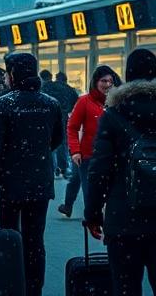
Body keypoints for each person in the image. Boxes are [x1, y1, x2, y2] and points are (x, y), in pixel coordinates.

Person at [85, 49, 156, 296]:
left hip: (123, 217)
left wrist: (93, 214)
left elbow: (99, 170)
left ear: (127, 75)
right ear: (155, 73)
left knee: (126, 286)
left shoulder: (113, 114)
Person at [0, 53, 64, 296]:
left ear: (13, 74)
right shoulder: (51, 103)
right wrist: (36, 152)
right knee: (35, 240)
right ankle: (34, 289)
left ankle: (11, 286)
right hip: (39, 182)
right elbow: (56, 139)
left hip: (9, 182)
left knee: (8, 237)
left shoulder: (3, 104)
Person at [58, 65, 119, 218]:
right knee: (88, 191)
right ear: (96, 82)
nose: (107, 84)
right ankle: (88, 217)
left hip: (112, 156)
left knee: (110, 194)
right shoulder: (84, 101)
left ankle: (72, 207)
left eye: (110, 81)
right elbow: (72, 127)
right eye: (103, 81)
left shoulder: (117, 102)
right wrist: (75, 151)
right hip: (88, 156)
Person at [42, 70, 79, 178]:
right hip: (63, 117)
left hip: (48, 118)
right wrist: (67, 110)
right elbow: (76, 103)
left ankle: (52, 168)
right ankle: (63, 167)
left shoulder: (45, 87)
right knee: (62, 142)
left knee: (49, 142)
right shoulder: (68, 89)